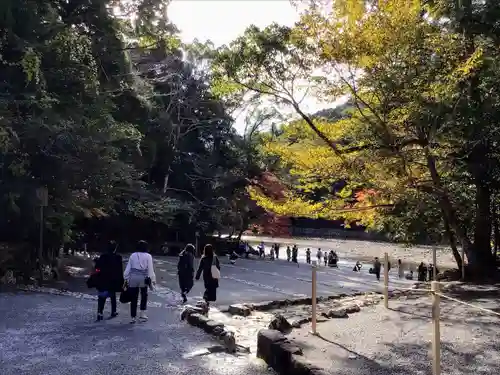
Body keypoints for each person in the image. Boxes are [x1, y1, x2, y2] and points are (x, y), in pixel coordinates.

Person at [123, 240, 156, 323]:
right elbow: (150, 269)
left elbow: (128, 268)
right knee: (144, 295)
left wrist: (126, 277)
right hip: (143, 277)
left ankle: (133, 317)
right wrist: (152, 279)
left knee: (134, 297)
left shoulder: (133, 255)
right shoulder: (148, 256)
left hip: (133, 277)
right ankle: (142, 314)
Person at [95, 241, 123, 322]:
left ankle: (100, 313)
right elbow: (120, 270)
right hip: (113, 280)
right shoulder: (118, 257)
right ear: (115, 248)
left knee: (102, 296)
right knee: (113, 296)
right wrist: (121, 282)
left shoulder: (103, 256)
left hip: (103, 279)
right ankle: (113, 311)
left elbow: (97, 268)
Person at [195, 244, 221, 309]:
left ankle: (206, 299)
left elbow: (200, 268)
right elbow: (218, 267)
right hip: (214, 275)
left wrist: (197, 276)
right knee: (212, 289)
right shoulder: (215, 257)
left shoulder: (204, 258)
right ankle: (206, 300)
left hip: (206, 276)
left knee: (208, 288)